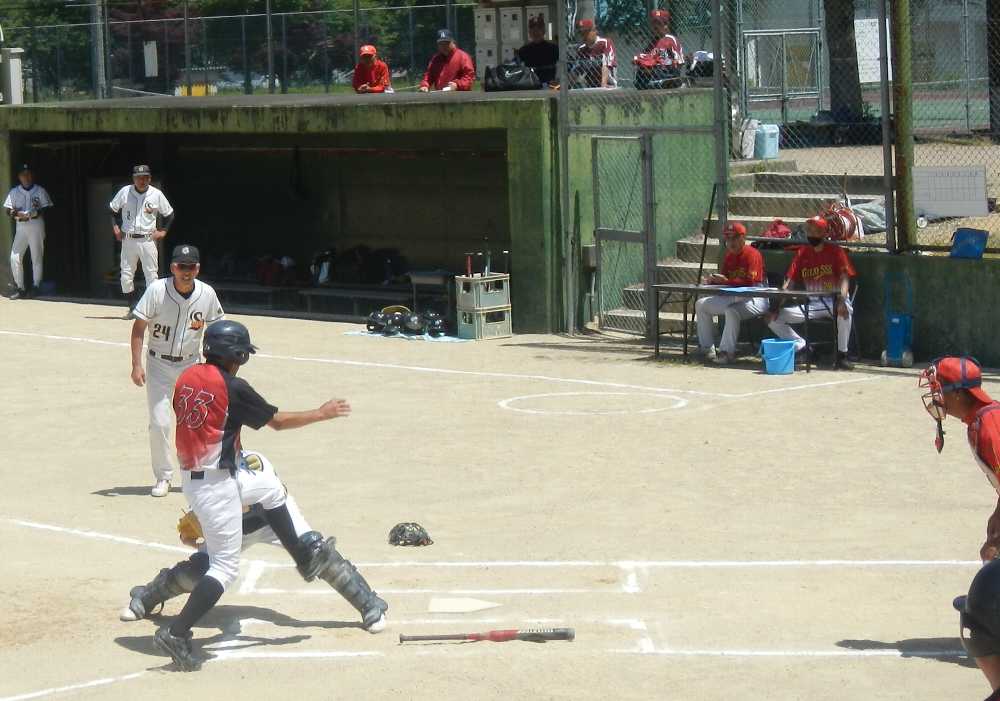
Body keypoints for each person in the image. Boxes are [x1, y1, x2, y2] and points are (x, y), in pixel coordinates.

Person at [151, 320, 376, 671]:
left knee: (270, 487)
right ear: (236, 355)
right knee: (223, 568)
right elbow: (278, 422)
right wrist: (321, 413)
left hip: (201, 478)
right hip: (218, 484)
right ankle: (176, 633)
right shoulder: (234, 387)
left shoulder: (187, 377)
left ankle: (303, 556)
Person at [119, 449, 388, 639]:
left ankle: (369, 604)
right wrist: (195, 535)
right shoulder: (207, 476)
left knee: (314, 551)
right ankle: (147, 596)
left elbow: (271, 506)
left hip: (275, 518)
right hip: (235, 528)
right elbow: (204, 520)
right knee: (198, 572)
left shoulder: (256, 469)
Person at [918, 356, 1000, 696]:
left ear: (958, 393)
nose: (935, 398)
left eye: (938, 390)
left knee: (990, 581)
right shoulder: (982, 419)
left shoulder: (988, 427)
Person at [130, 245, 224, 497]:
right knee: (159, 422)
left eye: (191, 266)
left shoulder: (207, 293)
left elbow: (217, 331)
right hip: (158, 364)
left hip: (191, 364)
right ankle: (163, 476)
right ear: (173, 267)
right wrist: (136, 365)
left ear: (198, 268)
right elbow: (138, 328)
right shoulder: (157, 290)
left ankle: (197, 474)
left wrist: (216, 368)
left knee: (196, 422)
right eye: (182, 266)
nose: (186, 271)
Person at [766, 216, 855, 370]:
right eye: (810, 231)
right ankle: (803, 347)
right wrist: (776, 308)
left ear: (824, 233)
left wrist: (841, 300)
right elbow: (789, 283)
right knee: (771, 319)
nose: (812, 234)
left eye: (816, 231)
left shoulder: (836, 251)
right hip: (813, 304)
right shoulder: (803, 252)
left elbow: (844, 279)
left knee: (844, 312)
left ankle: (842, 355)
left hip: (834, 300)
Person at [694, 222, 767, 365]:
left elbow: (750, 282)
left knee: (731, 311)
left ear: (743, 238)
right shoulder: (729, 256)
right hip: (734, 296)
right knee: (701, 305)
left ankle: (727, 352)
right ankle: (707, 349)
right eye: (728, 238)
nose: (731, 242)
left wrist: (726, 281)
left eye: (734, 238)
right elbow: (725, 281)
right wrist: (712, 281)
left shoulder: (753, 254)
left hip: (756, 297)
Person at [110, 164, 175, 319]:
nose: (142, 180)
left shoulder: (156, 194)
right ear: (133, 179)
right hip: (128, 239)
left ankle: (151, 310)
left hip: (147, 239)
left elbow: (170, 214)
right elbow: (112, 210)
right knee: (126, 276)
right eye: (139, 177)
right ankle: (132, 308)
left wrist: (163, 232)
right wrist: (115, 227)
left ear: (150, 178)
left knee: (151, 277)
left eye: (145, 177)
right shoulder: (125, 192)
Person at [4, 164, 53, 299]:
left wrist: (33, 213)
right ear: (19, 177)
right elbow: (8, 210)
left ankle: (36, 286)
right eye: (23, 174)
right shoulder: (14, 192)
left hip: (36, 225)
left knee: (36, 256)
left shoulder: (39, 190)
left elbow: (46, 208)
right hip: (21, 226)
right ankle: (20, 288)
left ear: (32, 175)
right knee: (14, 257)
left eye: (28, 174)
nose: (26, 177)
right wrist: (16, 214)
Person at [634, 9, 685, 90]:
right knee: (641, 68)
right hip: (652, 73)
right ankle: (650, 83)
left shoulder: (671, 39)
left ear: (666, 25)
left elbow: (679, 61)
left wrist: (666, 63)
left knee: (660, 63)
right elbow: (646, 57)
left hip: (667, 72)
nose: (655, 26)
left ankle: (666, 82)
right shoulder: (653, 42)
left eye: (659, 23)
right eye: (654, 23)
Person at [517, 15, 559, 86]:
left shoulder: (554, 48)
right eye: (533, 29)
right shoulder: (523, 50)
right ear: (529, 32)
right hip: (530, 86)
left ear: (544, 31)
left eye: (539, 29)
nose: (536, 32)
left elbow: (563, 68)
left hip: (550, 87)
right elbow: (517, 70)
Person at [573, 19, 616, 88]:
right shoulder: (581, 49)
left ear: (594, 31)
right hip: (590, 86)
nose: (583, 36)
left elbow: (607, 64)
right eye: (581, 33)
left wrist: (603, 85)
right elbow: (576, 70)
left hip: (608, 84)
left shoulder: (605, 43)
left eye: (586, 32)